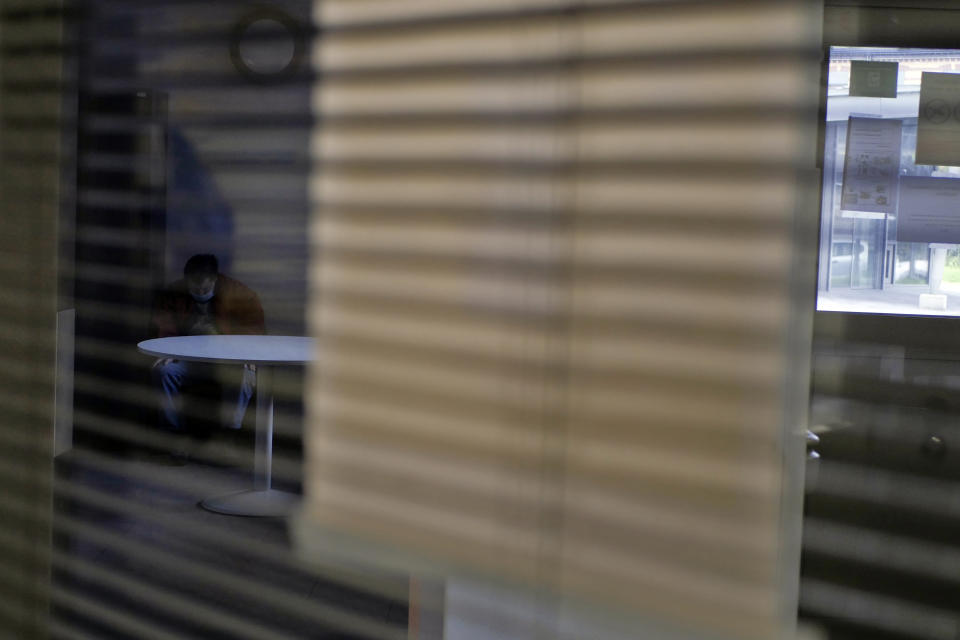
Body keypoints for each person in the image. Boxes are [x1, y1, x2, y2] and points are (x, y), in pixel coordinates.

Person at [151, 254, 265, 449]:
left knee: (246, 375)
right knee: (163, 372)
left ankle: (230, 433)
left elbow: (254, 327)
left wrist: (247, 354)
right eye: (195, 288)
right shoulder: (175, 294)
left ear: (215, 279)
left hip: (227, 357)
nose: (200, 292)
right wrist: (167, 350)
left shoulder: (239, 293)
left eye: (205, 288)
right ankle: (173, 435)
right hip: (188, 357)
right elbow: (165, 326)